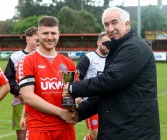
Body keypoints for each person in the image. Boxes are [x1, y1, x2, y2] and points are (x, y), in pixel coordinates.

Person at [63, 7, 160, 140]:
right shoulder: (118, 48)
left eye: (114, 22)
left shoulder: (134, 47)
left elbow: (110, 81)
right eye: (106, 24)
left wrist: (73, 88)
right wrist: (80, 112)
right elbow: (108, 92)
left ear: (126, 24)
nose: (110, 28)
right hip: (120, 128)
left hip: (133, 132)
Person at [17, 16, 76, 140]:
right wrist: (61, 112)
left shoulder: (68, 63)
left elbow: (75, 93)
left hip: (66, 127)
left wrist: (75, 104)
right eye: (45, 33)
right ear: (38, 35)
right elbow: (28, 97)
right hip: (40, 129)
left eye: (53, 33)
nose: (50, 37)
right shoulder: (27, 61)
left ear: (59, 34)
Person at [4, 27, 38, 140]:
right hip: (20, 101)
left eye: (39, 40)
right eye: (36, 40)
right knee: (22, 135)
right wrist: (20, 91)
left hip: (41, 101)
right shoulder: (15, 57)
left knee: (39, 133)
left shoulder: (43, 56)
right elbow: (8, 79)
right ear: (27, 40)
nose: (38, 43)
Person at [76, 32, 110, 140]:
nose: (108, 45)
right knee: (96, 134)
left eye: (110, 43)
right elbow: (77, 78)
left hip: (107, 103)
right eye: (105, 43)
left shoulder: (112, 60)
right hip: (90, 102)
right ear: (98, 42)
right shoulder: (88, 58)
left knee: (106, 134)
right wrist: (79, 97)